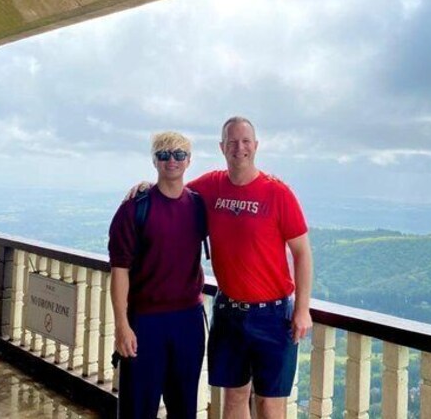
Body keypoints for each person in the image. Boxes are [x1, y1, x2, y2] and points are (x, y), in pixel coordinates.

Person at [129, 117, 313, 419]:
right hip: (229, 313)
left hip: (273, 315)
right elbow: (173, 190)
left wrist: (302, 309)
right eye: (232, 142)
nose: (239, 148)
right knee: (234, 398)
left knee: (269, 405)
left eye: (245, 141)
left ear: (256, 146)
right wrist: (147, 186)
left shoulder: (278, 193)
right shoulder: (211, 186)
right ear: (222, 147)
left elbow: (302, 253)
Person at [108, 132, 207, 419]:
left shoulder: (198, 206)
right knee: (137, 409)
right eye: (163, 155)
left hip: (188, 321)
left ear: (189, 161)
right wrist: (122, 325)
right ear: (154, 161)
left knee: (184, 408)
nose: (171, 160)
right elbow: (119, 270)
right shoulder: (135, 207)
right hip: (145, 321)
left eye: (179, 154)